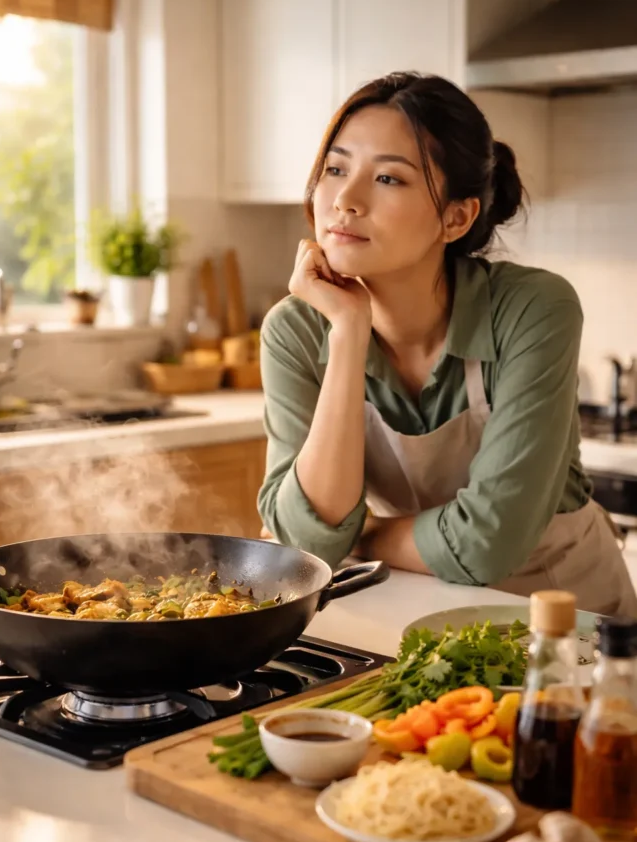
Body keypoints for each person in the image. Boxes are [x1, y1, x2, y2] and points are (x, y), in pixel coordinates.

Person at [258, 71, 637, 618]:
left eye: (388, 179)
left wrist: (355, 536)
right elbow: (305, 544)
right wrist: (347, 332)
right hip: (414, 616)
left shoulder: (533, 309)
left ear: (456, 217)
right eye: (335, 169)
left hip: (566, 620)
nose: (345, 199)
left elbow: (486, 545)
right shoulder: (297, 330)